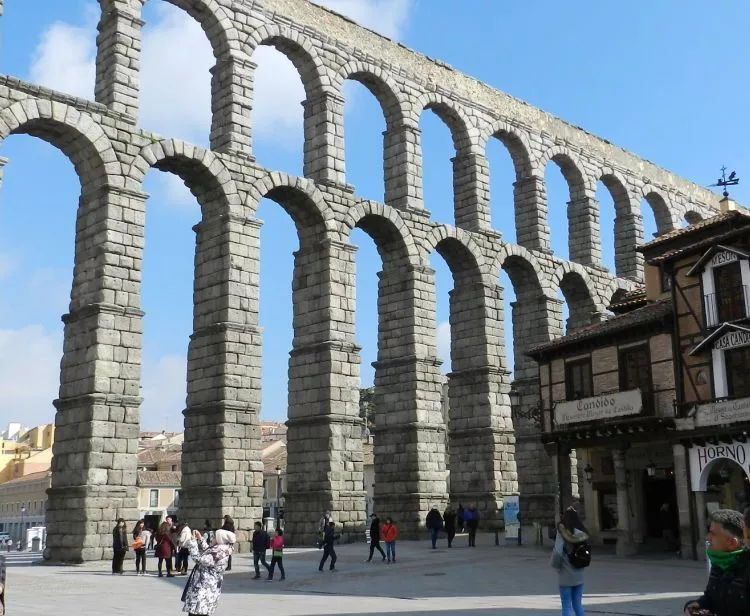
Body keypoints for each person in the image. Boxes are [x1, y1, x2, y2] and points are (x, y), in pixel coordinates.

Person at [684, 509, 750, 616]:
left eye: (713, 534)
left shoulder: (747, 567)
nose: (707, 538)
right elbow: (710, 596)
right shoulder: (718, 563)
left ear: (732, 542)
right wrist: (696, 605)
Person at [181, 527, 235, 616]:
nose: (212, 539)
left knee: (197, 612)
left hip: (204, 588)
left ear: (219, 540)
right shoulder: (220, 550)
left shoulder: (218, 553)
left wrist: (193, 543)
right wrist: (200, 539)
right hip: (208, 587)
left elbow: (199, 559)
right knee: (201, 611)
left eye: (214, 537)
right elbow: (208, 551)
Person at [550, 506, 589, 616]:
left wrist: (555, 566)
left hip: (565, 574)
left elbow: (557, 551)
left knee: (566, 606)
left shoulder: (562, 532)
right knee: (578, 605)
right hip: (579, 574)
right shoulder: (581, 532)